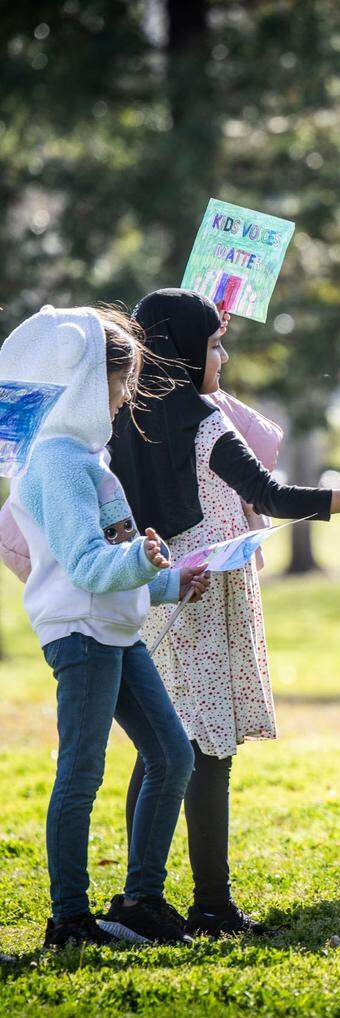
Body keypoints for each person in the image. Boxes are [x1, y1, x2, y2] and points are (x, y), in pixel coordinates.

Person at [110, 288, 340, 936]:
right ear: (182, 353)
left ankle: (141, 893)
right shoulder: (206, 421)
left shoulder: (122, 421)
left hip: (153, 595)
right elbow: (272, 492)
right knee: (210, 752)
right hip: (210, 602)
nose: (224, 356)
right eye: (214, 346)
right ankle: (212, 903)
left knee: (159, 751)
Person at [2, 305, 208, 948]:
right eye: (123, 382)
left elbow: (112, 554)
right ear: (92, 380)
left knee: (172, 754)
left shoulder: (90, 460)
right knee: (82, 771)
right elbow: (90, 566)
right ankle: (68, 919)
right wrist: (139, 557)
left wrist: (169, 580)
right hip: (82, 635)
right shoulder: (58, 463)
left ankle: (142, 898)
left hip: (115, 629)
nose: (127, 396)